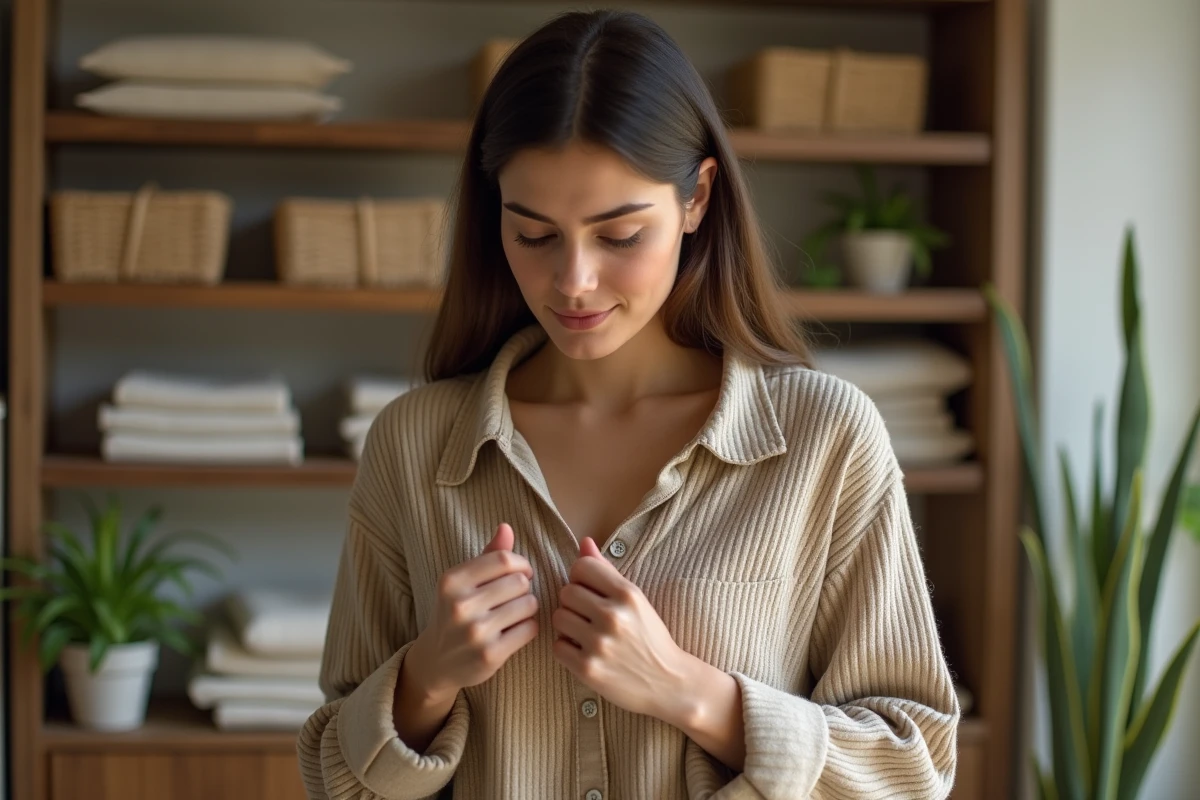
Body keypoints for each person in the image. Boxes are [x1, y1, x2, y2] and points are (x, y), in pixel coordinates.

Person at [298, 9, 959, 800]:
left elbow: (912, 769)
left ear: (697, 198)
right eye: (534, 235)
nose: (573, 281)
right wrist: (424, 680)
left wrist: (688, 690)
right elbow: (334, 775)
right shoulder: (412, 446)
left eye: (618, 235)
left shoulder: (826, 440)